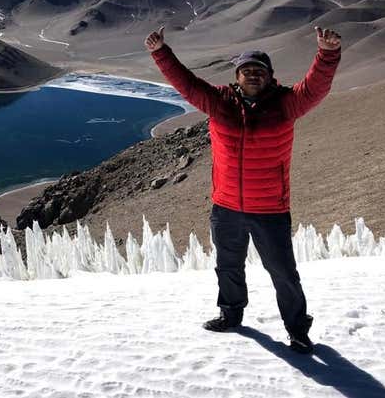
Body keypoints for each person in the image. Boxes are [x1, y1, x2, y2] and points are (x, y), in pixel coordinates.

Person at [144, 25, 342, 354]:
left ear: (269, 76)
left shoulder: (286, 104)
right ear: (237, 76)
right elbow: (186, 84)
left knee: (283, 273)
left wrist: (327, 53)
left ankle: (297, 330)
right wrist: (160, 52)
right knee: (228, 266)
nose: (253, 75)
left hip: (270, 209)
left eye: (259, 71)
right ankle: (231, 315)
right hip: (226, 207)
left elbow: (315, 89)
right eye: (246, 70)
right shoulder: (219, 102)